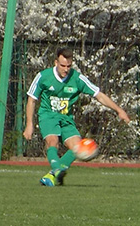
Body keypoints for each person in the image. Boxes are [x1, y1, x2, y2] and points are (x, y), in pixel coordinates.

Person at [23, 47, 130, 186]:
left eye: (68, 66)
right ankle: (56, 170)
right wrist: (29, 124)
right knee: (52, 141)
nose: (65, 69)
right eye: (62, 66)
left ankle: (54, 174)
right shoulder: (43, 76)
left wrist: (119, 110)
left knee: (77, 147)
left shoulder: (77, 78)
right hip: (48, 116)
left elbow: (99, 95)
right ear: (55, 62)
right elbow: (31, 100)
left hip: (66, 119)